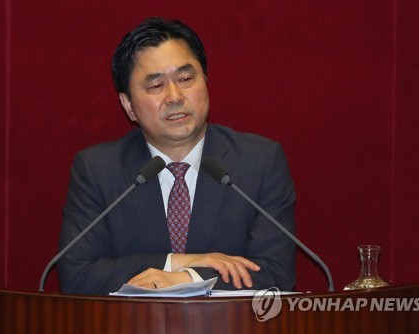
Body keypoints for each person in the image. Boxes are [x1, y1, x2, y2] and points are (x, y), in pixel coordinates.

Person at [57, 17, 296, 295]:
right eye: (156, 85)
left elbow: (277, 272)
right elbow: (77, 275)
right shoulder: (98, 170)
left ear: (205, 81)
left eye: (185, 79)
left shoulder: (259, 162)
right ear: (128, 105)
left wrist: (187, 278)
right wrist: (177, 263)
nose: (174, 96)